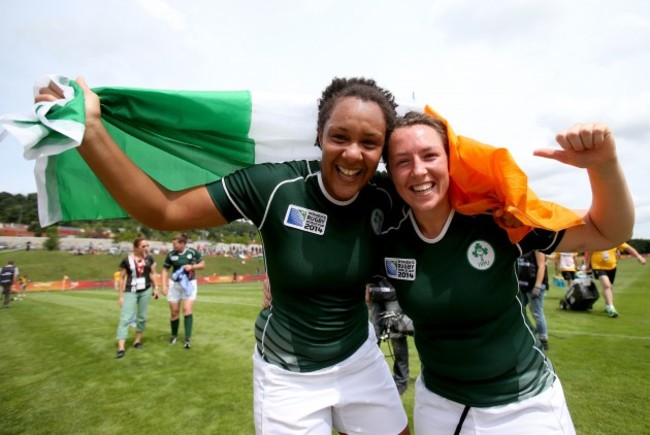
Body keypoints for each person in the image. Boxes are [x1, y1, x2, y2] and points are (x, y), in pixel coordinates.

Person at [36, 76, 410, 435]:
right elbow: (164, 211)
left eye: (369, 142)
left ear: (383, 151)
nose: (352, 153)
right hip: (288, 374)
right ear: (319, 136)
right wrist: (91, 130)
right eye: (339, 137)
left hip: (360, 359)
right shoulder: (275, 186)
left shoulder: (387, 195)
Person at [379, 111, 634, 434]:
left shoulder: (498, 216)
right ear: (390, 171)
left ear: (450, 159)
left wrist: (604, 164)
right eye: (402, 161)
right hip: (439, 405)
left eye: (430, 155)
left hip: (523, 403)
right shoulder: (388, 233)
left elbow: (607, 231)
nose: (418, 170)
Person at [115, 237, 158, 358]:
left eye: (147, 246)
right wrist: (120, 296)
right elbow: (122, 277)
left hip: (145, 290)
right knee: (125, 318)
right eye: (143, 246)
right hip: (130, 291)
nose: (146, 248)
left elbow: (152, 273)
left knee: (142, 317)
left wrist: (156, 288)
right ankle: (121, 348)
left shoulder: (149, 258)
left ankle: (137, 341)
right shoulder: (127, 260)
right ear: (136, 248)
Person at [161, 233, 205, 350]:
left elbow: (202, 264)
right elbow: (165, 270)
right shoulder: (171, 255)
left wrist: (192, 267)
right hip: (175, 285)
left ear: (182, 243)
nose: (173, 246)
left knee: (187, 310)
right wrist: (164, 286)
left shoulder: (192, 252)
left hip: (189, 284)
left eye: (175, 244)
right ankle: (174, 336)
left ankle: (187, 339)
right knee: (174, 312)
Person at [367, 277, 410, 395]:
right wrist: (367, 291)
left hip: (393, 295)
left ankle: (401, 380)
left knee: (397, 338)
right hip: (375, 295)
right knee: (372, 338)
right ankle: (371, 378)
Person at [584, 242, 646, 318]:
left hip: (612, 267)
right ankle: (611, 307)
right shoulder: (596, 241)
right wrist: (587, 266)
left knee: (610, 287)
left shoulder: (615, 240)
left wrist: (639, 256)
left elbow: (628, 248)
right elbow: (588, 254)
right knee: (607, 285)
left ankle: (607, 306)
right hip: (598, 267)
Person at [517, 250, 550, 350]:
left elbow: (541, 266)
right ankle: (529, 330)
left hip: (534, 285)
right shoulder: (522, 246)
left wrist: (538, 286)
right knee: (518, 311)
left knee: (536, 312)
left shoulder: (537, 247)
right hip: (523, 284)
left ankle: (543, 339)